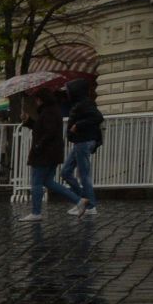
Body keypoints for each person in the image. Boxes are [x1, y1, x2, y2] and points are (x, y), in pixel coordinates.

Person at [19, 86, 86, 220]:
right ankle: (79, 201)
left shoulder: (48, 112)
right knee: (48, 182)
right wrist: (28, 121)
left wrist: (38, 145)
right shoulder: (50, 110)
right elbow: (41, 128)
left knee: (36, 182)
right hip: (51, 153)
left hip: (44, 153)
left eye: (37, 99)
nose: (36, 102)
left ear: (42, 99)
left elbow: (48, 132)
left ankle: (36, 212)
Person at [59, 77, 102, 217]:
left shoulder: (85, 103)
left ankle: (90, 206)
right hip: (80, 142)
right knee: (66, 172)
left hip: (83, 141)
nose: (67, 94)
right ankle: (83, 201)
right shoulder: (80, 103)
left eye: (69, 91)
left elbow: (98, 117)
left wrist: (78, 125)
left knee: (84, 175)